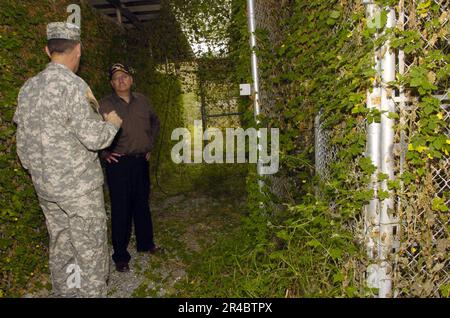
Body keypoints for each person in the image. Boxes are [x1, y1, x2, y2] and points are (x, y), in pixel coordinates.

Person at [13, 22, 123, 297]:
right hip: (78, 189)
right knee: (90, 248)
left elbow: (22, 144)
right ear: (78, 49)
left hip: (46, 188)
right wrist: (111, 124)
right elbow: (94, 139)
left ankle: (67, 292)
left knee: (62, 245)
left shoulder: (28, 88)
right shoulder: (74, 86)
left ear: (47, 50)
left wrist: (40, 172)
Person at [99, 63, 161, 273]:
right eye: (116, 78)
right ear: (111, 83)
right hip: (119, 165)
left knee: (142, 204)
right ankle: (120, 256)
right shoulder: (105, 104)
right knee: (121, 209)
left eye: (124, 76)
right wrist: (104, 152)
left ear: (131, 79)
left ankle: (145, 243)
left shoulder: (143, 100)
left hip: (140, 161)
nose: (121, 80)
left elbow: (155, 122)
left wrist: (149, 144)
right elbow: (94, 131)